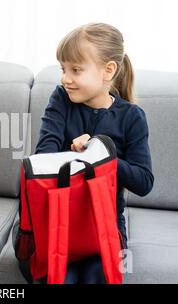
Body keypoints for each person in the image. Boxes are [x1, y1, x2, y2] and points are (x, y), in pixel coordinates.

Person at [24, 23, 154, 283]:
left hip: (105, 222)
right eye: (63, 69)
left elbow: (143, 182)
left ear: (108, 70)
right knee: (61, 276)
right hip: (58, 216)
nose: (65, 78)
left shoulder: (132, 117)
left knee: (100, 274)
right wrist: (77, 158)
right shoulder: (61, 98)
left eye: (76, 70)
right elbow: (44, 157)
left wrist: (100, 154)